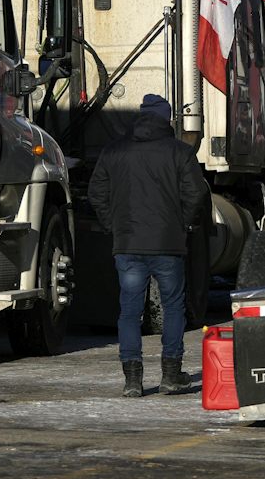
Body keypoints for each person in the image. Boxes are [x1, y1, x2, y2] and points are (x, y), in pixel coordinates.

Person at [88, 93, 209, 397]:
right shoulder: (179, 152)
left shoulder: (114, 151)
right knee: (173, 309)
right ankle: (170, 375)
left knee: (129, 312)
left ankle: (132, 381)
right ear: (166, 119)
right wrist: (181, 223)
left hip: (127, 244)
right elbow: (196, 193)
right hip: (168, 244)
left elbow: (96, 192)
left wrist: (112, 224)